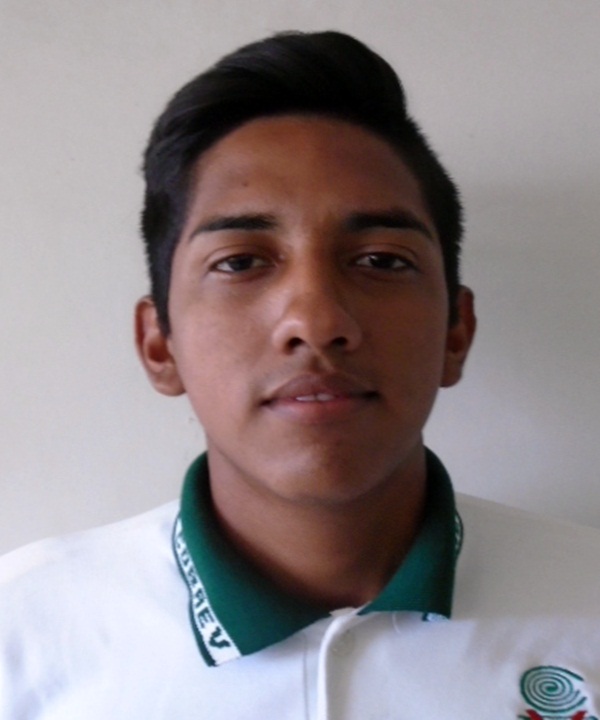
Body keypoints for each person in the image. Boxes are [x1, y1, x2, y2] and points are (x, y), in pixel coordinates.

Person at [2, 30, 600, 720]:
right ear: (160, 344)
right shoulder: (24, 633)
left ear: (455, 333)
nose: (316, 322)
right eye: (240, 262)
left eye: (381, 260)